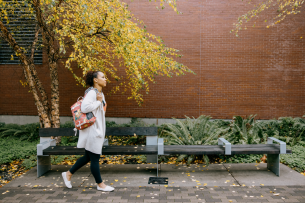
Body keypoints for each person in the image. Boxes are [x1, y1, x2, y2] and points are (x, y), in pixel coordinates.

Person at [62, 71, 114, 192]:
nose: (106, 79)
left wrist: (100, 102)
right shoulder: (92, 93)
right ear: (95, 80)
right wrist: (98, 102)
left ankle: (68, 174)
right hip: (93, 130)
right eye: (103, 77)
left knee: (88, 157)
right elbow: (85, 107)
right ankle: (100, 184)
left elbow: (100, 111)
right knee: (95, 157)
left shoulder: (100, 93)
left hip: (97, 129)